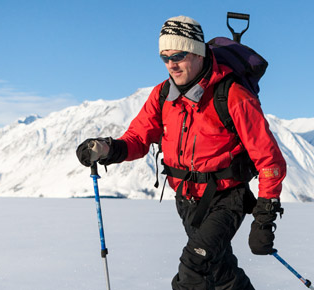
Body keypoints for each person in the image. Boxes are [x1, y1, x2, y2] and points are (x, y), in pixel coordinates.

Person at [76, 15, 286, 290]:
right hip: (186, 200)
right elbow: (139, 138)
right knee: (220, 271)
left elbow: (269, 158)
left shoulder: (232, 94)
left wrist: (264, 217)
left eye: (178, 55)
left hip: (225, 198)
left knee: (193, 270)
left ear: (198, 52)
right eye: (164, 57)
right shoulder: (163, 95)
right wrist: (106, 148)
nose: (171, 64)